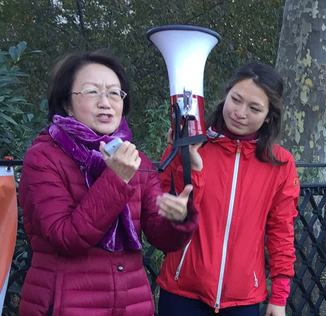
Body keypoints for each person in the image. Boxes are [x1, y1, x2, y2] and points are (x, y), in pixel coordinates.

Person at [17, 50, 199, 316]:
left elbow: (160, 237)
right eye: (91, 92)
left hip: (131, 303)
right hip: (66, 304)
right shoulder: (43, 157)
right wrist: (116, 178)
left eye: (115, 93)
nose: (106, 102)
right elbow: (66, 237)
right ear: (67, 104)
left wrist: (179, 219)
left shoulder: (134, 158)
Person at [156, 61, 300, 316]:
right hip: (182, 292)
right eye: (236, 99)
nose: (240, 112)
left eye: (254, 108)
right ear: (226, 95)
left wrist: (279, 296)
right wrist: (191, 165)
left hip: (243, 300)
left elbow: (281, 233)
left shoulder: (281, 163)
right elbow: (165, 216)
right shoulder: (189, 145)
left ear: (269, 115)